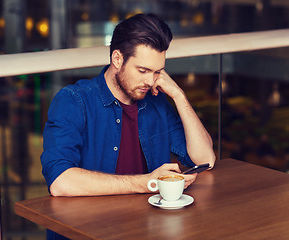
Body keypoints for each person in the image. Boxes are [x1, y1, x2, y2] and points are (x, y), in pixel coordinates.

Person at [42, 13, 214, 202]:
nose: (150, 81)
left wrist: (179, 95)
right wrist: (146, 182)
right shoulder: (74, 101)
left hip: (147, 224)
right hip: (92, 226)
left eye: (158, 71)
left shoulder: (156, 102)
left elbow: (205, 160)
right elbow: (60, 181)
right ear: (117, 59)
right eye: (142, 71)